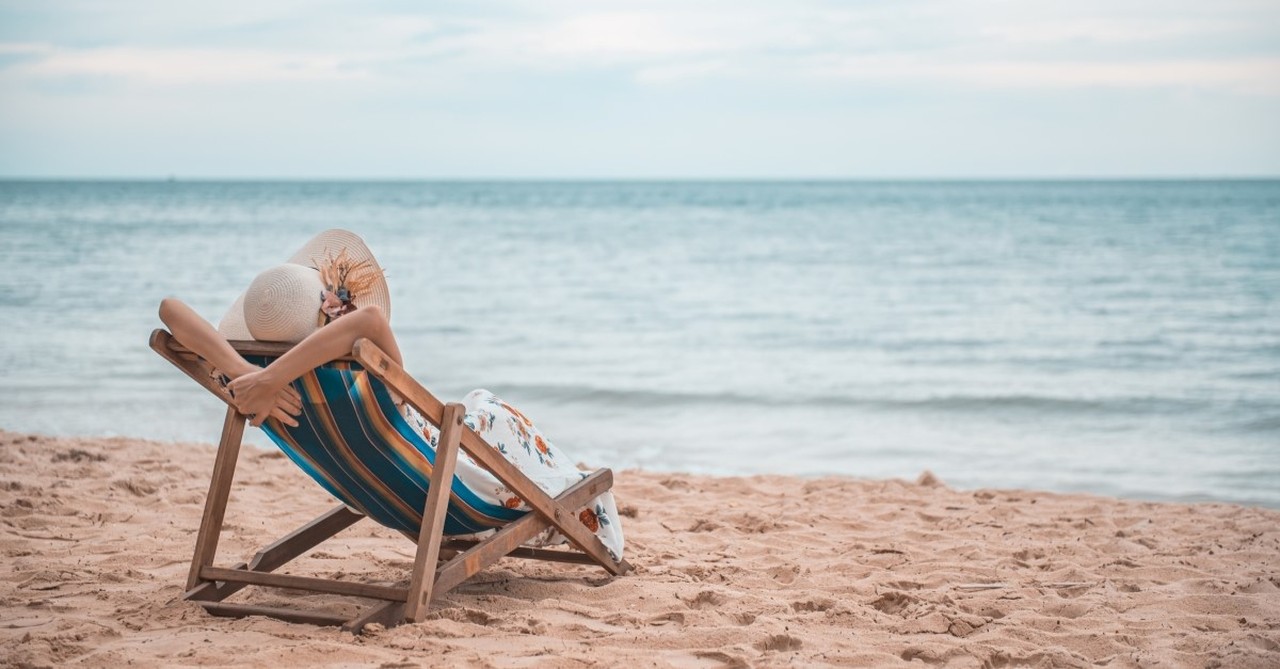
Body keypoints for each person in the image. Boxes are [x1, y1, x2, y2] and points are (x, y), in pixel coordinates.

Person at [158, 229, 624, 560]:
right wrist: (261, 379)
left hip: (381, 487)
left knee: (481, 406)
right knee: (487, 407)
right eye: (333, 299)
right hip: (453, 478)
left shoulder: (253, 381)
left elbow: (169, 311)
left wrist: (249, 373)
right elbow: (371, 323)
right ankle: (571, 485)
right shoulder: (355, 365)